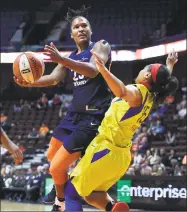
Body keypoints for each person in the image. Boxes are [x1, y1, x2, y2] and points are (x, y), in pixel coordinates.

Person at [14, 5, 112, 211]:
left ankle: (60, 200)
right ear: (72, 34)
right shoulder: (71, 57)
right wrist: (30, 83)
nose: (81, 28)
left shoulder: (101, 46)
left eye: (84, 25)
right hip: (73, 116)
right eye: (77, 27)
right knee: (51, 154)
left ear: (90, 30)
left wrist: (62, 59)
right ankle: (62, 188)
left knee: (56, 166)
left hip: (92, 116)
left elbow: (94, 71)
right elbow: (53, 79)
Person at [63, 50, 179, 211]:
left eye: (143, 69)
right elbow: (162, 82)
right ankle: (113, 208)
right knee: (91, 194)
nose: (140, 71)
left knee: (70, 192)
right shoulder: (152, 97)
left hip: (105, 151)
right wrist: (169, 66)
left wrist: (103, 69)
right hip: (121, 157)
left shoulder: (139, 92)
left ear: (146, 77)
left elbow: (122, 91)